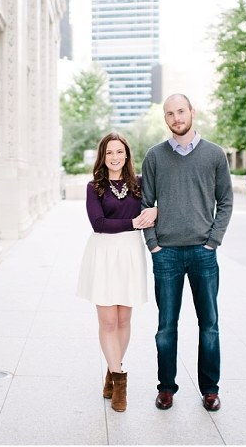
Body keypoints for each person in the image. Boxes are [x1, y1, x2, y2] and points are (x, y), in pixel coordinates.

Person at [140, 93, 233, 412]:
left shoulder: (215, 155)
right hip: (165, 254)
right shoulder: (153, 157)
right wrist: (153, 245)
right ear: (165, 119)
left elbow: (226, 201)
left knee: (209, 324)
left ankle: (210, 388)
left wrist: (213, 241)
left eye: (181, 111)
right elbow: (145, 204)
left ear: (192, 112)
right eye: (169, 114)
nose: (176, 118)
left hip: (203, 253)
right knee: (166, 326)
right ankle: (166, 388)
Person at [76, 132, 158, 412]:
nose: (115, 157)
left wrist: (155, 212)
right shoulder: (94, 187)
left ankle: (113, 370)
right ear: (103, 156)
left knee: (124, 320)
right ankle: (120, 382)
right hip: (103, 255)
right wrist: (134, 221)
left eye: (119, 152)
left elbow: (157, 205)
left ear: (127, 155)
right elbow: (98, 223)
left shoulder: (140, 184)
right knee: (108, 321)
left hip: (131, 254)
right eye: (109, 152)